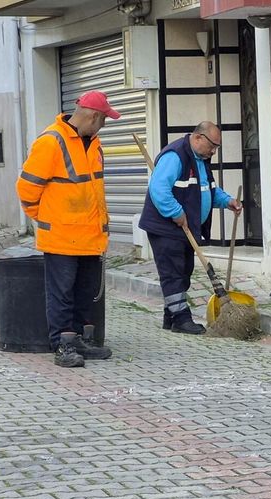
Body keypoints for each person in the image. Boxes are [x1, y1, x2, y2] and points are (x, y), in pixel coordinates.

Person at [16, 90, 117, 368]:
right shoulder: (51, 141)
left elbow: (94, 190)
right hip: (61, 235)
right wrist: (47, 219)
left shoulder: (94, 144)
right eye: (104, 120)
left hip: (89, 235)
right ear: (94, 116)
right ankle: (62, 345)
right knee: (61, 294)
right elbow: (26, 188)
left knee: (85, 292)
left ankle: (80, 341)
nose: (104, 126)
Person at [138, 122, 242, 335]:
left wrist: (227, 201)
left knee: (183, 271)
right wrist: (176, 212)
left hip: (185, 227)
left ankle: (171, 315)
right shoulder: (175, 156)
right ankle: (181, 319)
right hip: (165, 227)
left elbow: (207, 189)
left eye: (217, 147)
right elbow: (158, 189)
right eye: (212, 145)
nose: (214, 151)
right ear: (198, 138)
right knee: (173, 273)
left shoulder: (201, 159)